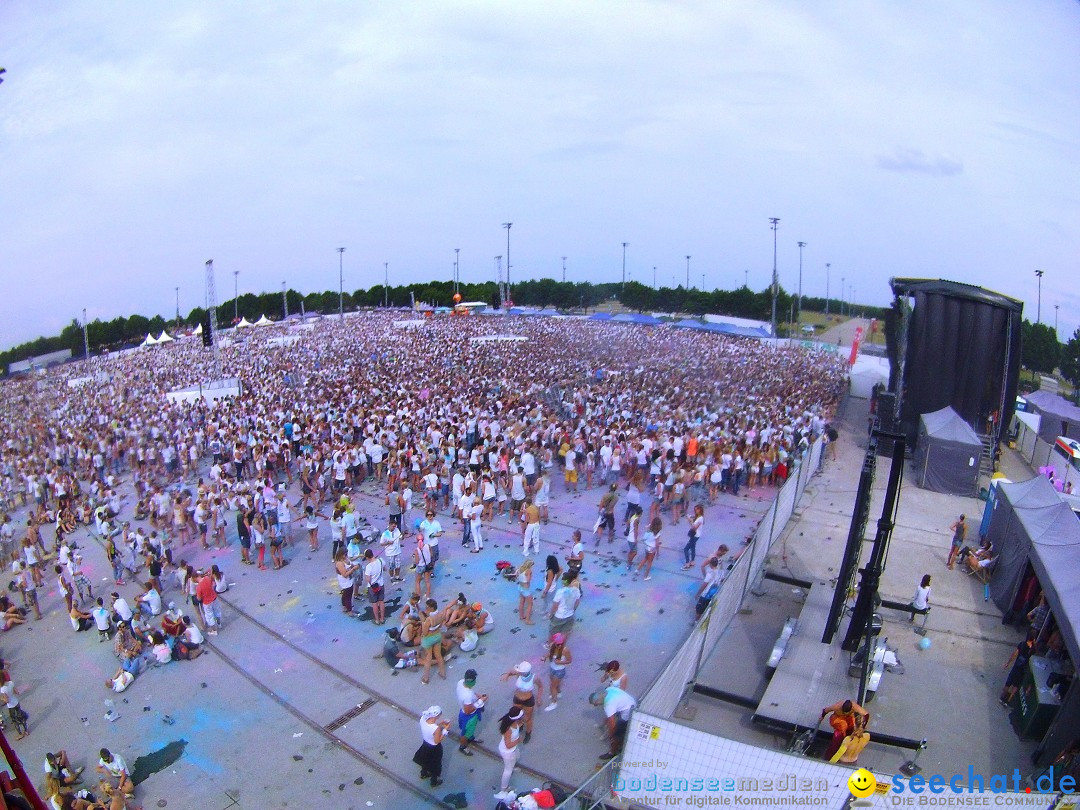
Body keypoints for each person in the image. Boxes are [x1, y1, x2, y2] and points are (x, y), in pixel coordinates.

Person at [501, 661, 544, 743]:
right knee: (516, 716)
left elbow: (540, 687)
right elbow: (510, 671)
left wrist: (539, 698)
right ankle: (520, 725)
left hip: (528, 700)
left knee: (528, 718)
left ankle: (528, 733)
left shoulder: (535, 678)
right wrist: (506, 675)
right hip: (517, 699)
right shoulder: (519, 673)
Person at [412, 706, 450, 788]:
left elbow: (430, 727)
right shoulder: (436, 729)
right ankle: (434, 782)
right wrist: (445, 729)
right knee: (435, 765)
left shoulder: (423, 719)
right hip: (434, 748)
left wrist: (440, 724)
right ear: (436, 716)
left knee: (425, 760)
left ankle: (424, 773)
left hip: (425, 744)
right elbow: (437, 741)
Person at [494, 707, 525, 801]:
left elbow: (520, 724)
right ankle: (503, 790)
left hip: (513, 749)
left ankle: (512, 767)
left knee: (517, 756)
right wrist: (518, 740)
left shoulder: (514, 722)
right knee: (508, 770)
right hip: (508, 751)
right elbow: (508, 745)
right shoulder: (509, 730)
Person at [1000, 630, 1038, 706]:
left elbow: (1015, 654)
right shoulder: (1033, 649)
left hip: (1016, 667)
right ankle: (1008, 701)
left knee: (1008, 682)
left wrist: (1008, 663)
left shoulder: (1022, 644)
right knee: (1016, 686)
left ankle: (1002, 697)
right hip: (1022, 670)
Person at [600, 684, 636, 760]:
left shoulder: (609, 705)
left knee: (617, 734)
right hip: (631, 703)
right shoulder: (609, 689)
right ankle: (620, 743)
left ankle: (612, 752)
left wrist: (611, 736)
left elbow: (612, 724)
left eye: (596, 703)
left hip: (628, 712)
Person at [456, 668, 486, 756]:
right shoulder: (467, 696)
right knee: (465, 733)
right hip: (469, 717)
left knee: (469, 731)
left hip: (463, 712)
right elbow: (468, 711)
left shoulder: (461, 682)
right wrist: (481, 701)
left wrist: (477, 695)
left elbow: (470, 691)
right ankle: (463, 746)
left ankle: (471, 738)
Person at [542, 632, 572, 711]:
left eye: (561, 644)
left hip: (560, 671)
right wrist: (545, 657)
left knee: (552, 687)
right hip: (552, 668)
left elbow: (569, 660)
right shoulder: (552, 645)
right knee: (554, 684)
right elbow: (550, 653)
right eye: (558, 644)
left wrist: (560, 662)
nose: (559, 646)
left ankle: (554, 702)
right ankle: (558, 693)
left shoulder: (565, 650)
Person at [364, 548, 387, 625]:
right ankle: (382, 618)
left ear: (367, 557)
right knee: (381, 602)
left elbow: (368, 579)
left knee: (374, 603)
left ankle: (377, 620)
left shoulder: (368, 567)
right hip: (381, 584)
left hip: (372, 587)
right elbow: (385, 569)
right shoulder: (380, 561)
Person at [683, 504, 704, 569]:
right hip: (696, 535)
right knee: (692, 548)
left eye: (696, 510)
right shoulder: (698, 516)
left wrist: (690, 520)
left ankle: (687, 563)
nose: (695, 511)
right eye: (694, 509)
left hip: (695, 535)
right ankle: (692, 561)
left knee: (686, 549)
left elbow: (694, 527)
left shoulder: (700, 519)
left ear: (700, 510)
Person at [516, 558, 534, 626]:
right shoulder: (528, 571)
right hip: (526, 589)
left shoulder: (520, 568)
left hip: (520, 587)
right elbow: (528, 580)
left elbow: (517, 576)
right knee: (530, 605)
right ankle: (527, 620)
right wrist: (531, 575)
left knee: (522, 602)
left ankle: (521, 616)